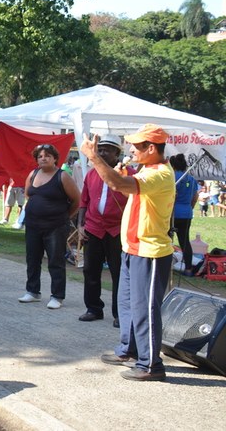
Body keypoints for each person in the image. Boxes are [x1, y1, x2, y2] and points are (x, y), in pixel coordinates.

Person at [81, 124, 175, 382]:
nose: (131, 149)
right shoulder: (149, 170)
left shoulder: (159, 174)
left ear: (151, 148)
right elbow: (119, 185)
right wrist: (115, 174)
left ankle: (151, 364)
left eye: (136, 145)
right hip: (133, 248)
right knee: (127, 305)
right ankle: (130, 350)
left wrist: (94, 157)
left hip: (150, 252)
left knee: (144, 309)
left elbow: (117, 183)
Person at [77, 134, 132, 327]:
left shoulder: (129, 174)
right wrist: (81, 225)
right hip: (93, 228)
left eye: (106, 150)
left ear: (117, 153)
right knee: (90, 270)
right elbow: (84, 201)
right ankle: (93, 309)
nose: (101, 153)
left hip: (118, 230)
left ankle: (120, 314)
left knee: (119, 273)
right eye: (99, 149)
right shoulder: (92, 174)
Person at [18, 144, 80, 309]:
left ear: (55, 159)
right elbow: (28, 195)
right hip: (33, 225)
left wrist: (65, 216)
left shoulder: (63, 176)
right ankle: (32, 291)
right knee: (32, 259)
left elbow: (76, 200)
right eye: (40, 156)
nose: (43, 158)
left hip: (55, 226)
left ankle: (57, 296)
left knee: (55, 260)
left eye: (47, 155)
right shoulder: (33, 174)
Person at [170, 154, 199, 277]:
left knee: (166, 240)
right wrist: (189, 207)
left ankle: (166, 267)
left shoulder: (173, 177)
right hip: (186, 213)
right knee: (185, 241)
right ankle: (188, 269)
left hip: (172, 213)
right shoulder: (191, 179)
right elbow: (195, 196)